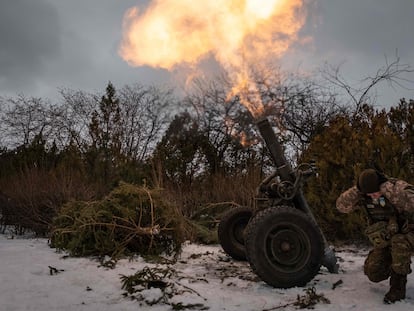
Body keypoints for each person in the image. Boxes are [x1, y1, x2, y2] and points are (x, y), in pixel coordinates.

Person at [336, 168, 414, 303]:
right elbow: (341, 206)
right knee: (373, 272)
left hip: (408, 234)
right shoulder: (364, 195)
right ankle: (396, 265)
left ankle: (397, 288)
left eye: (375, 192)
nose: (374, 197)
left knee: (398, 242)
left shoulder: (395, 188)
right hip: (387, 237)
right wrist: (358, 190)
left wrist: (388, 190)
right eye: (369, 194)